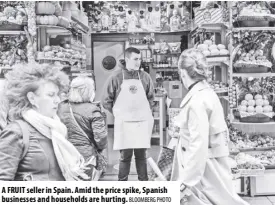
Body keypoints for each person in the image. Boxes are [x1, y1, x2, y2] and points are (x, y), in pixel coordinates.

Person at [170, 49, 248, 205]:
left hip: (203, 170)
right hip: (211, 165)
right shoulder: (208, 93)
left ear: (183, 73)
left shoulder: (197, 101)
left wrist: (186, 182)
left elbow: (198, 144)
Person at [0, 63, 92, 181]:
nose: (57, 100)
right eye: (51, 95)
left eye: (57, 94)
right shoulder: (16, 132)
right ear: (32, 98)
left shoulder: (57, 129)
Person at [102, 47, 154, 181]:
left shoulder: (145, 77)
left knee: (141, 156)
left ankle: (144, 185)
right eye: (135, 59)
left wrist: (144, 112)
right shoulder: (116, 76)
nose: (139, 62)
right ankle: (122, 185)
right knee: (125, 157)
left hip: (141, 123)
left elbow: (151, 98)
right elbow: (106, 100)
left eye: (140, 59)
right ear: (126, 59)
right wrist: (118, 113)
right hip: (124, 124)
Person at [58, 76, 108, 181]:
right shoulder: (93, 110)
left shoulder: (61, 107)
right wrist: (100, 149)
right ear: (88, 91)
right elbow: (101, 137)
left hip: (64, 155)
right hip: (86, 157)